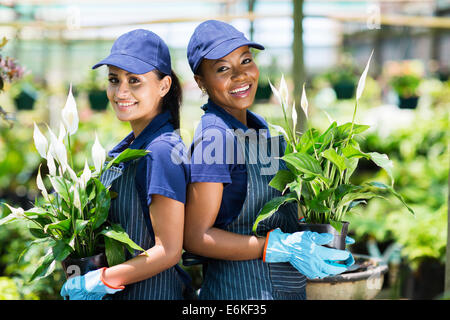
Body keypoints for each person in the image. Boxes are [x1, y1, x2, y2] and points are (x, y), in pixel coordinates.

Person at [183, 20, 354, 300]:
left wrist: (317, 233)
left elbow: (282, 208)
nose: (240, 76)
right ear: (201, 82)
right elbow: (195, 237)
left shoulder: (260, 128)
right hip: (240, 292)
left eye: (246, 60)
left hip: (283, 288)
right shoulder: (214, 137)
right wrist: (276, 246)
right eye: (223, 69)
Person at [60, 29, 191, 300]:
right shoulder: (133, 146)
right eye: (114, 79)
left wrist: (104, 279)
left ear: (164, 86)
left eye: (134, 81)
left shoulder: (161, 151)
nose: (121, 92)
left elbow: (168, 250)